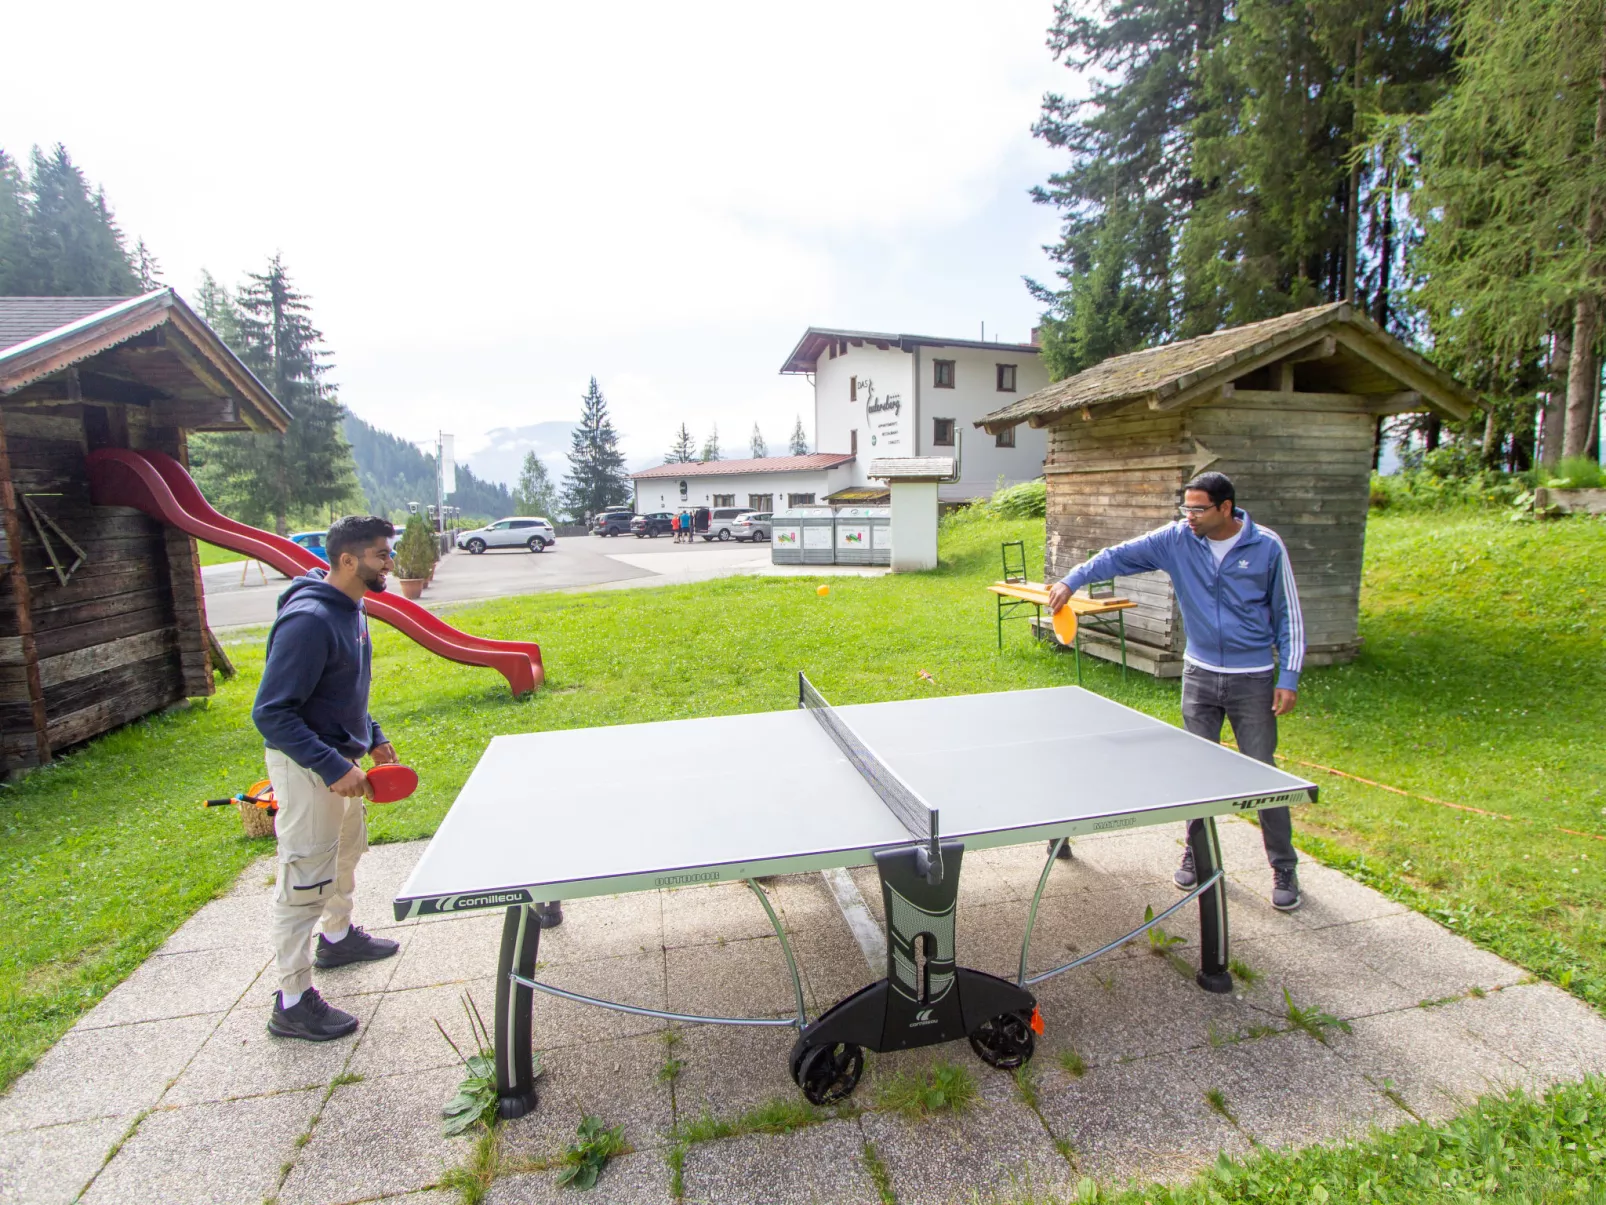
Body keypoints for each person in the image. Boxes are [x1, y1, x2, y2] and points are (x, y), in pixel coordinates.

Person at [1048, 471, 1307, 910]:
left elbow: (1289, 614)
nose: (1189, 516)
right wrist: (1072, 580)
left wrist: (1289, 676)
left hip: (1253, 678)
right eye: (1185, 508)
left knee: (1264, 774)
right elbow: (1117, 556)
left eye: (1198, 508)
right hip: (1200, 675)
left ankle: (1283, 865)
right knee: (1195, 774)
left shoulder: (1266, 547)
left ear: (1226, 508)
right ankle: (1197, 852)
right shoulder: (1177, 539)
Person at [253, 515, 403, 1041]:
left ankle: (337, 939)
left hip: (344, 761)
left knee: (345, 854)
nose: (390, 563)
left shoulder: (353, 606)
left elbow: (343, 687)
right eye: (382, 555)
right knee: (304, 881)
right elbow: (271, 713)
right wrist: (334, 765)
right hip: (310, 768)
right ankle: (292, 1001)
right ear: (348, 560)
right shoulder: (311, 620)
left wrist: (373, 732)